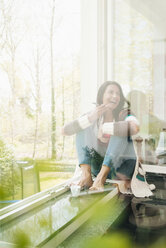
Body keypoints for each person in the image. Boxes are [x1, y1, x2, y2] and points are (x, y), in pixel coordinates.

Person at [62, 81, 140, 192]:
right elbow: (64, 130)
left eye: (118, 94)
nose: (115, 96)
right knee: (83, 125)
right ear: (101, 95)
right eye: (111, 92)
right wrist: (90, 118)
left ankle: (100, 179)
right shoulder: (93, 115)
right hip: (97, 168)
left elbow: (134, 127)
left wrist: (106, 128)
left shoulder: (124, 113)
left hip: (122, 169)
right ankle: (86, 176)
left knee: (121, 128)